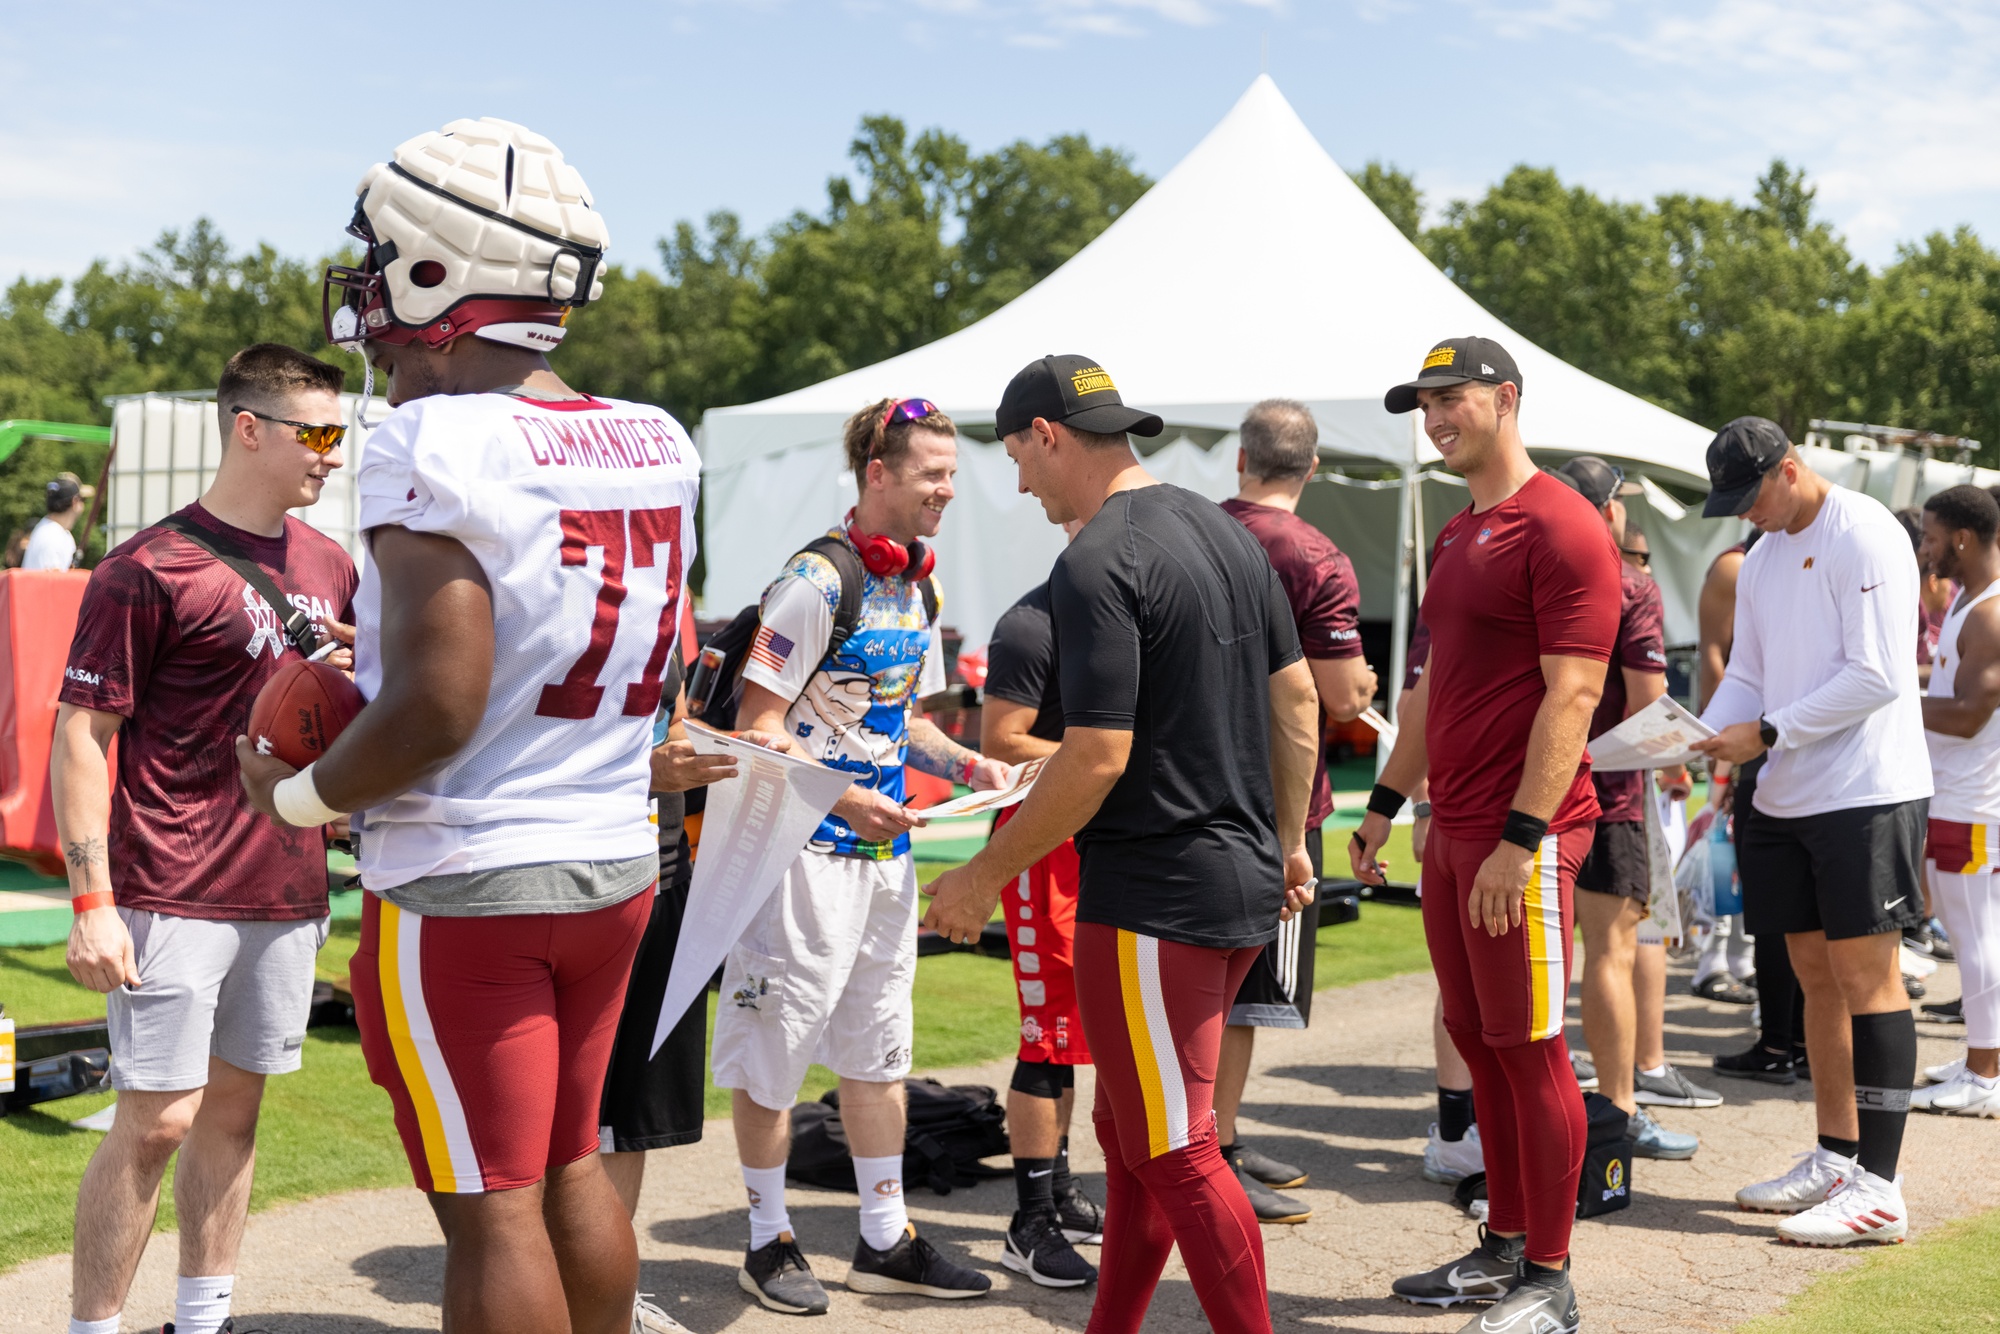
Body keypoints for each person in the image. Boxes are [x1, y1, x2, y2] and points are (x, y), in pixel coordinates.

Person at [240, 117, 694, 1334]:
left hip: (469, 877)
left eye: (384, 259)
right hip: (611, 857)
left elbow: (439, 701)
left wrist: (293, 797)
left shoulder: (432, 436)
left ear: (442, 272)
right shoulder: (655, 440)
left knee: (491, 1209)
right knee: (569, 1168)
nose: (369, 289)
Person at [924, 354, 1320, 1334]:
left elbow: (1097, 752)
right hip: (1233, 883)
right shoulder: (1226, 535)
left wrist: (982, 873)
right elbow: (1297, 701)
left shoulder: (1098, 556)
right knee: (1130, 1130)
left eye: (1015, 454)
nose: (1016, 480)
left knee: (1177, 1148)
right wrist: (1286, 842)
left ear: (1048, 434)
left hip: (1152, 893)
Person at [54, 343, 358, 1334]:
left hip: (285, 887)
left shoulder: (332, 566)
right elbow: (80, 734)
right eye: (314, 430)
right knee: (158, 1121)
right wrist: (92, 902)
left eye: (338, 431)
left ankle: (204, 1317)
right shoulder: (147, 564)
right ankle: (93, 1325)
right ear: (248, 428)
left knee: (234, 1118)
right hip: (170, 883)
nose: (332, 451)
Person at [715, 396, 1006, 1314]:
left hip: (883, 865)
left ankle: (885, 1239)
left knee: (879, 1056)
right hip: (796, 861)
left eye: (953, 475)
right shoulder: (813, 581)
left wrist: (967, 764)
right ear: (878, 475)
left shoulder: (918, 585)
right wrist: (842, 796)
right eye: (933, 475)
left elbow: (897, 716)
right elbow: (757, 723)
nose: (947, 492)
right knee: (774, 1059)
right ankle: (768, 1242)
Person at [1353, 337, 1620, 1333]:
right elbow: (1426, 689)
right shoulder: (1465, 531)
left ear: (1506, 399)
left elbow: (1576, 693)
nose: (1433, 419)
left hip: (1523, 837)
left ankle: (1549, 1278)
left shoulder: (1560, 524)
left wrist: (1520, 835)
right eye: (1422, 405)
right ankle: (1502, 1245)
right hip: (1450, 828)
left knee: (1531, 1044)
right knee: (1477, 1038)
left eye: (1450, 399)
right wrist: (1384, 804)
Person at [1692, 417, 1930, 1246]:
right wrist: (1695, 735)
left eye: (1749, 495)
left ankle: (1881, 1189)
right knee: (1810, 974)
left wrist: (1764, 732)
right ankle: (1838, 1155)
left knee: (1868, 975)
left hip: (1866, 790)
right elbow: (1748, 674)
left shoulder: (1863, 532)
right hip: (1785, 791)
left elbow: (1877, 675)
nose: (1743, 515)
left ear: (1790, 470)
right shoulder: (1757, 559)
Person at [1216, 397, 1379, 1225]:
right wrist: (1371, 685)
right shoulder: (1318, 555)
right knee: (1242, 992)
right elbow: (1345, 695)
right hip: (1274, 799)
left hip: (1192, 785)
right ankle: (1213, 1155)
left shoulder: (1197, 530)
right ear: (1312, 468)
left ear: (1239, 460)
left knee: (1213, 986)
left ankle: (1223, 1143)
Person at [598, 641, 765, 1334]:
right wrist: (644, 772)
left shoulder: (650, 608)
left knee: (630, 1124)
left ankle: (606, 1297)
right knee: (556, 1122)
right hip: (572, 889)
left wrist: (715, 748)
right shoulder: (535, 593)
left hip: (662, 882)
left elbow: (670, 725)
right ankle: (553, 1293)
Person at [1556, 456, 1717, 1165]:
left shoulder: (1520, 569)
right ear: (1612, 510)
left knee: (1530, 962)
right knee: (1613, 955)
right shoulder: (1629, 585)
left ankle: (1491, 1122)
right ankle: (1618, 1113)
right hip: (1609, 795)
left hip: (1525, 793)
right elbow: (1650, 704)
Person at [980, 531, 1107, 1289]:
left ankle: (1056, 1187)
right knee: (1046, 1033)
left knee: (1078, 1024)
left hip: (1099, 842)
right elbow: (1001, 741)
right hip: (1039, 847)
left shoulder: (1114, 617)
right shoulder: (1030, 623)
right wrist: (1102, 756)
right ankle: (1028, 1224)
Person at [1912, 485, 2000, 1116]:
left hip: (1974, 803)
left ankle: (1985, 1073)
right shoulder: (1970, 601)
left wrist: (1891, 707)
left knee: (1975, 935)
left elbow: (1970, 714)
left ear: (1963, 539)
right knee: (1968, 928)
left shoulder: (1991, 612)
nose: (1926, 547)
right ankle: (1982, 1055)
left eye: (1933, 535)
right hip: (1960, 797)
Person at [25, 470, 95, 570]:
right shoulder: (52, 537)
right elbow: (53, 583)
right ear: (75, 502)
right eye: (82, 500)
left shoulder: (53, 531)